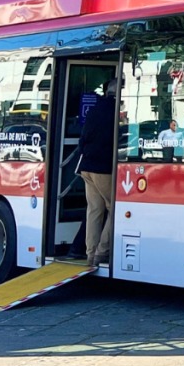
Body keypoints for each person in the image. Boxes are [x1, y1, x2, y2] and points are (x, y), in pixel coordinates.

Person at [77, 79, 117, 266]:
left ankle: (90, 255)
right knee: (115, 208)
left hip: (87, 166)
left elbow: (82, 139)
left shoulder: (94, 109)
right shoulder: (115, 112)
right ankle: (103, 252)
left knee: (94, 210)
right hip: (103, 168)